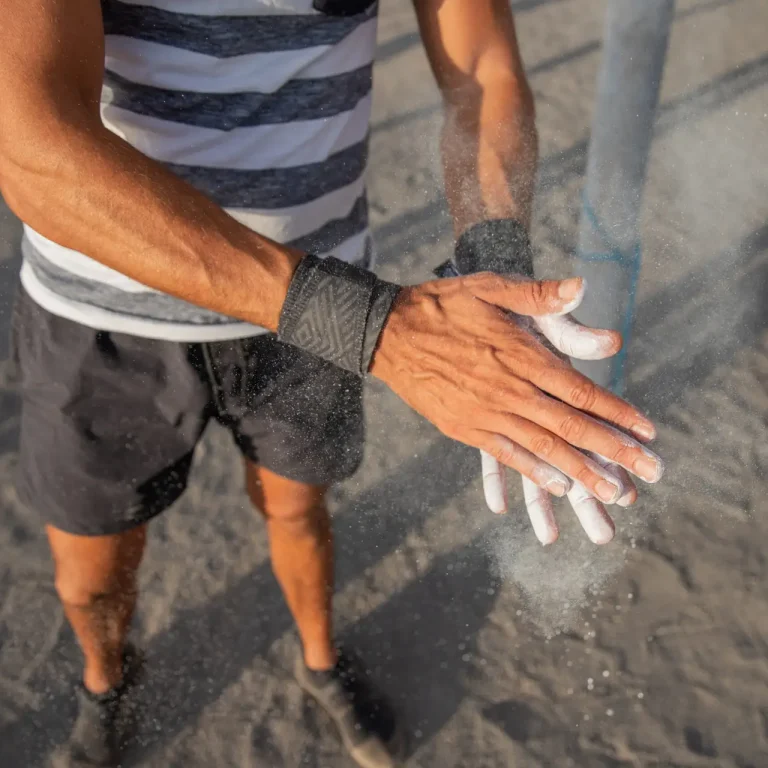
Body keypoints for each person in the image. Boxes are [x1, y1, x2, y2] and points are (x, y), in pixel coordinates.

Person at [0, 1, 664, 766]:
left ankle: (320, 658)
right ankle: (106, 682)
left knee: (298, 511)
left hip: (316, 308)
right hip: (103, 314)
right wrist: (377, 327)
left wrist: (492, 263)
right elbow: (33, 143)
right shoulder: (353, 318)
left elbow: (482, 68)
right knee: (92, 571)